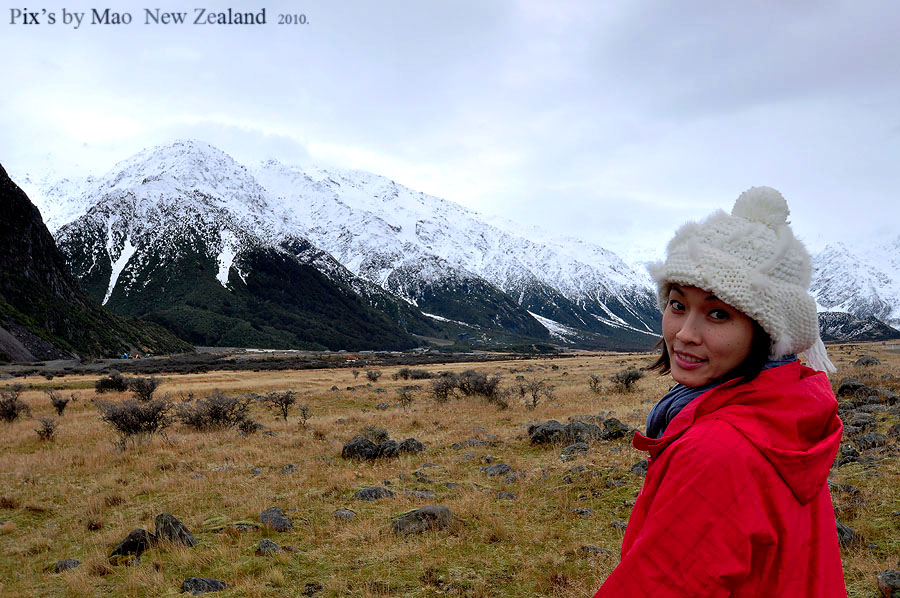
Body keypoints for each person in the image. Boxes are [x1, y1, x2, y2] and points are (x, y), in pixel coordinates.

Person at [593, 187, 846, 597]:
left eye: (717, 313)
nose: (685, 335)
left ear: (767, 332)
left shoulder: (717, 450)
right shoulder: (788, 411)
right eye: (677, 305)